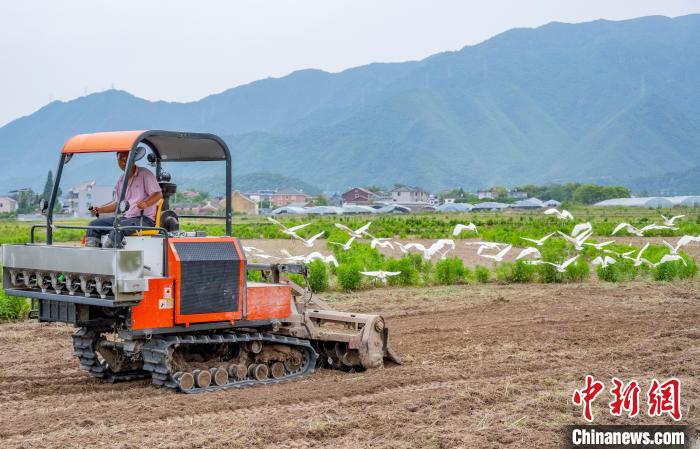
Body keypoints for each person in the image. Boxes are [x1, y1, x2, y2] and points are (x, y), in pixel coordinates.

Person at [86, 151, 163, 247]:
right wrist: (99, 210)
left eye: (126, 159)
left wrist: (146, 203)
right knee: (93, 225)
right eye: (120, 159)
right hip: (126, 218)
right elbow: (118, 204)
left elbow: (158, 194)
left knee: (118, 227)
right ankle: (91, 255)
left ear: (133, 159)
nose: (123, 162)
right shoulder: (121, 180)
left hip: (144, 220)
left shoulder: (145, 174)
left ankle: (108, 255)